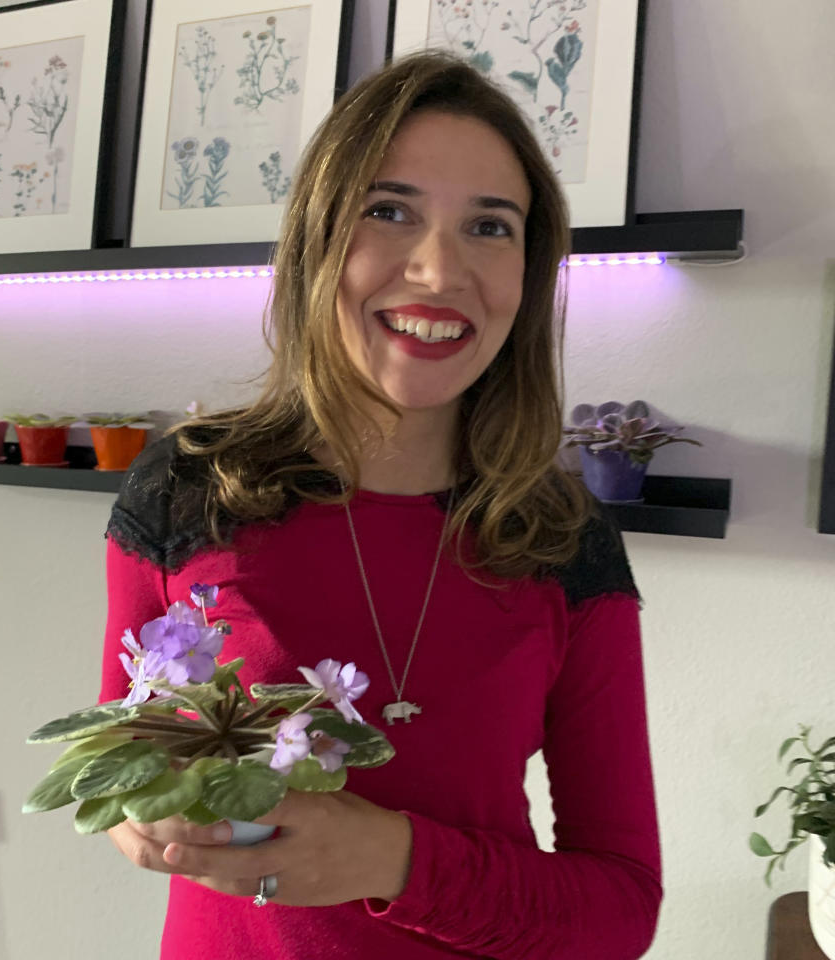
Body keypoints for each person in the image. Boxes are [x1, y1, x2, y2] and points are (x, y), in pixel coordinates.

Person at [99, 49, 662, 960]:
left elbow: (621, 909)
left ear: (530, 273)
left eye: (490, 225)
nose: (440, 272)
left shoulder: (564, 537)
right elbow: (130, 743)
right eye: (389, 211)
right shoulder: (187, 486)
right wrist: (138, 809)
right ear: (319, 239)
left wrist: (392, 860)